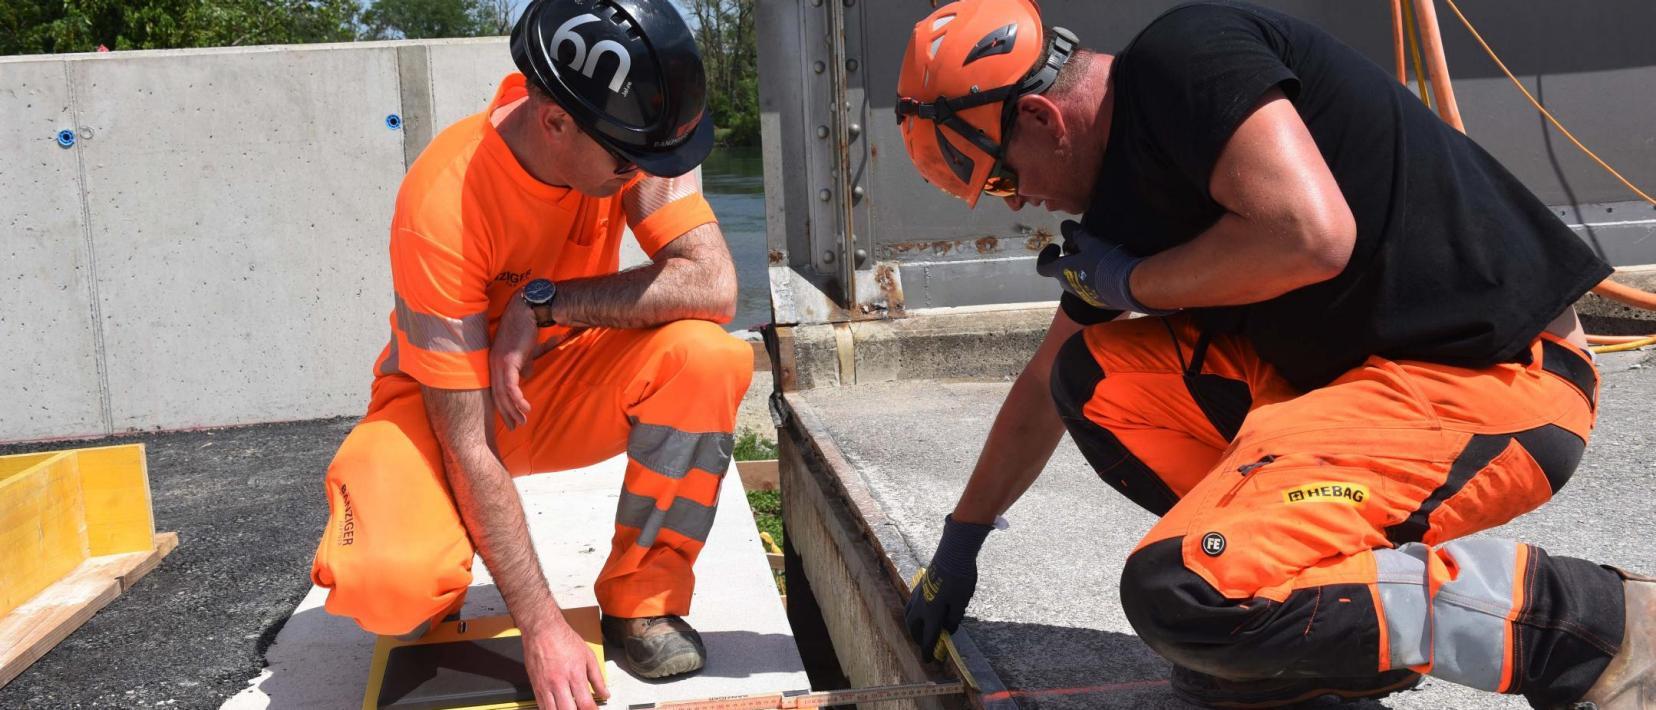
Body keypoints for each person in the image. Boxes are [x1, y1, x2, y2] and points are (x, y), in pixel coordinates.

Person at [893, 1, 1652, 707]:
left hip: (1490, 378)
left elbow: (1309, 236)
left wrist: (1133, 279)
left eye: (1000, 177)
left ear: (1040, 115)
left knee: (1181, 592)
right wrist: (961, 543)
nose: (1017, 201)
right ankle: (1315, 641)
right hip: (1356, 387)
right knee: (1088, 377)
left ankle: (1596, 625)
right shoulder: (1118, 199)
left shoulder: (1183, 60)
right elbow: (1041, 386)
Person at [308, 1, 753, 707]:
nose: (641, 175)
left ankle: (643, 598)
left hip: (552, 384)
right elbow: (467, 445)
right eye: (628, 162)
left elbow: (714, 284)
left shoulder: (628, 135)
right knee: (393, 585)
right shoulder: (443, 203)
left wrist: (546, 303)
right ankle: (417, 534)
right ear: (553, 122)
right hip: (436, 409)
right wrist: (541, 625)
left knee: (708, 357)